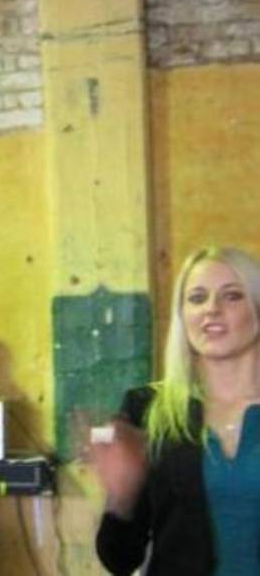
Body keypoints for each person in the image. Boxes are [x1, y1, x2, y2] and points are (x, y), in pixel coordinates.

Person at [92, 246, 260, 575]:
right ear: (182, 315)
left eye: (232, 296)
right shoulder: (146, 409)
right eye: (197, 298)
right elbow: (119, 559)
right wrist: (121, 496)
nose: (212, 309)